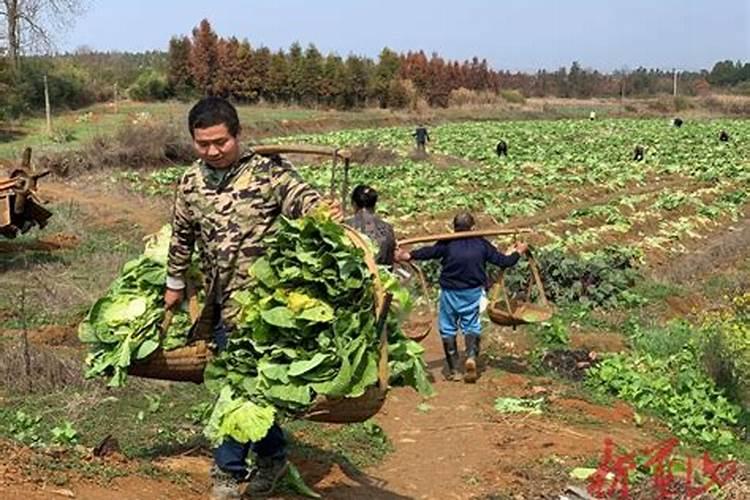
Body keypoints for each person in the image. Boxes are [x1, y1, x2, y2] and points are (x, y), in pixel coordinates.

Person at [165, 96, 339, 499]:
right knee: (252, 389)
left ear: (237, 135)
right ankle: (274, 456)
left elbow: (304, 200)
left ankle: (227, 474)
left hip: (267, 307)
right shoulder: (191, 181)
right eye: (203, 144)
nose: (212, 151)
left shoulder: (267, 174)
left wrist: (321, 211)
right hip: (220, 304)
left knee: (238, 388)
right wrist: (174, 281)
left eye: (220, 142)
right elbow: (182, 235)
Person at [395, 212, 527, 383]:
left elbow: (429, 252)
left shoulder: (447, 243)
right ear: (473, 228)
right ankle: (471, 356)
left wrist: (408, 255)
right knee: (471, 325)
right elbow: (504, 261)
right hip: (472, 293)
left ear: (454, 228)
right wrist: (518, 252)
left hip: (449, 293)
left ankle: (453, 370)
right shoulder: (481, 244)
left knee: (447, 327)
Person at [346, 184, 396, 267]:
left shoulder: (346, 226)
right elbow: (390, 261)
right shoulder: (388, 228)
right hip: (382, 275)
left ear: (354, 203)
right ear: (374, 204)